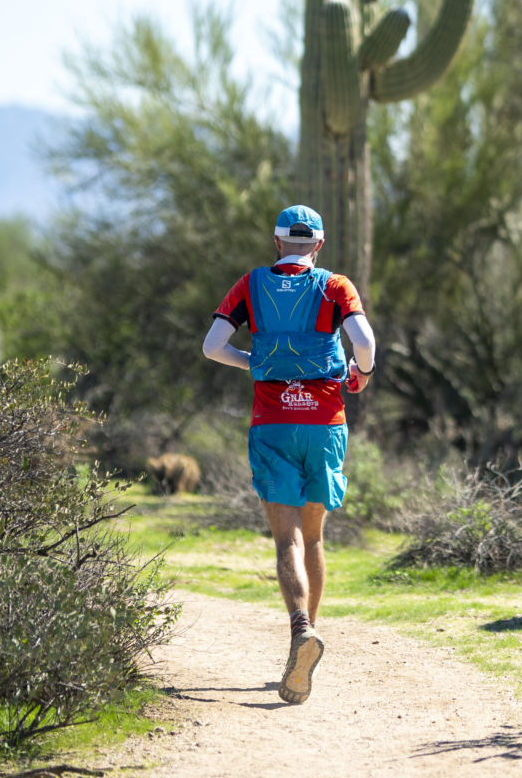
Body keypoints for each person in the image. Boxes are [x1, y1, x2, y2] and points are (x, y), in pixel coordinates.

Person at [202, 204, 376, 704]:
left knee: (287, 542)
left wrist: (252, 363)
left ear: (277, 242)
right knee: (315, 535)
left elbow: (213, 346)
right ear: (318, 246)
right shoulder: (336, 285)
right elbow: (362, 341)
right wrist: (359, 372)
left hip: (273, 422)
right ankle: (309, 635)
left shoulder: (250, 284)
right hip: (324, 424)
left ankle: (300, 631)